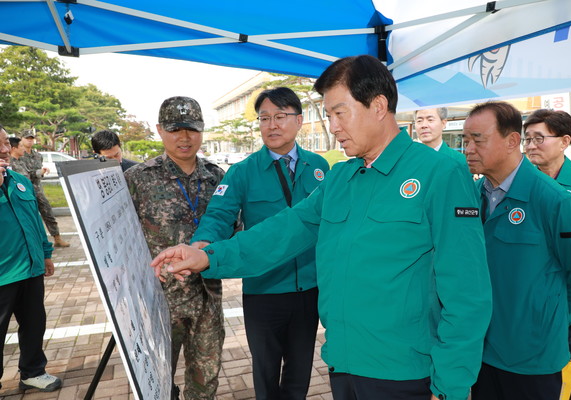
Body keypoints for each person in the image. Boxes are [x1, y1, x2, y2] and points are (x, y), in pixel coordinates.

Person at [152, 55, 493, 400]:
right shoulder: (342, 178)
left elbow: (467, 293)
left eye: (340, 113)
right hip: (343, 365)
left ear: (378, 106)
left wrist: (451, 387)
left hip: (404, 374)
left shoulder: (439, 174)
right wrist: (207, 256)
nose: (332, 127)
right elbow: (283, 231)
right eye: (329, 115)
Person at [190, 87, 329, 399]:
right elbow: (219, 215)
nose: (271, 125)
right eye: (264, 118)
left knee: (300, 368)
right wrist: (202, 244)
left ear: (299, 121)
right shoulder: (242, 171)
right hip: (264, 290)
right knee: (265, 370)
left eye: (280, 117)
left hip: (309, 288)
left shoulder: (320, 167)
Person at [462, 101, 571, 400]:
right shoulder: (473, 196)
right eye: (465, 140)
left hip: (533, 357)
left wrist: (546, 320)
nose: (468, 149)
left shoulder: (553, 200)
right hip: (482, 348)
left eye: (478, 140)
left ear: (511, 141)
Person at [125, 96, 225, 400]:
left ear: (202, 130)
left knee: (205, 380)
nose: (184, 138)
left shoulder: (217, 177)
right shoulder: (138, 179)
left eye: (192, 129)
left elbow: (232, 228)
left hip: (207, 297)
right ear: (159, 130)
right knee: (158, 378)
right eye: (175, 129)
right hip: (160, 301)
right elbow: (124, 241)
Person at [523, 108, 571, 400]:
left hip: (567, 303)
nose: (530, 146)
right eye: (527, 139)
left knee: (563, 381)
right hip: (521, 300)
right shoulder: (517, 182)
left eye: (539, 138)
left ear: (564, 141)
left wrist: (566, 310)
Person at [0, 125, 62, 392]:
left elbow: (35, 221)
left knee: (35, 323)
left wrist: (46, 254)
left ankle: (33, 371)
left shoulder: (20, 180)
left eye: (4, 143)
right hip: (3, 275)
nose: (4, 149)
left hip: (30, 268)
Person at [18, 131, 70, 247]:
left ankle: (57, 238)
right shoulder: (19, 155)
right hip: (25, 190)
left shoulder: (38, 156)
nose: (30, 141)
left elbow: (37, 172)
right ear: (21, 139)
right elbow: (24, 174)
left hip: (38, 189)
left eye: (32, 138)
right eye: (27, 138)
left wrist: (41, 172)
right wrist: (38, 173)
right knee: (31, 217)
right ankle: (36, 242)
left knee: (48, 213)